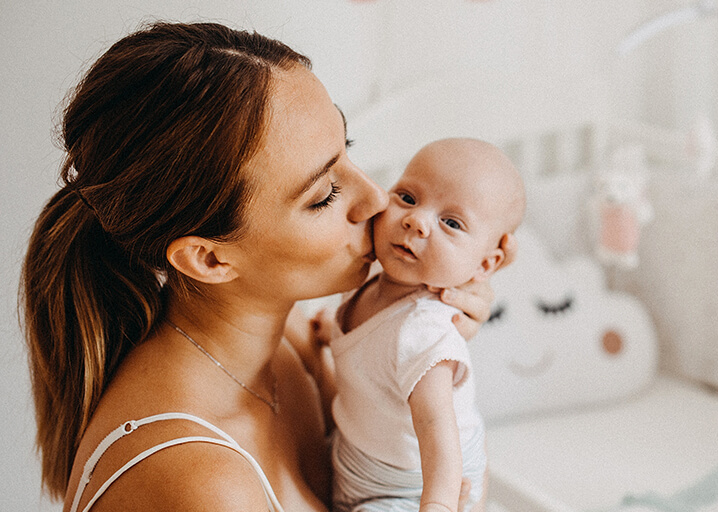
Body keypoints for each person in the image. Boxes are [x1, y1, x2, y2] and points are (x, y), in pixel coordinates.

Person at [20, 22, 516, 512]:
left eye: (349, 150)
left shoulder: (295, 340)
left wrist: (423, 340)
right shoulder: (201, 483)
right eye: (323, 195)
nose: (375, 198)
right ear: (211, 258)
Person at [308, 138, 526, 512]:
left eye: (452, 222)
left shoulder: (425, 331)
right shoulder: (369, 275)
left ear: (484, 266)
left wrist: (437, 505)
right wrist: (333, 330)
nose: (417, 220)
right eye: (407, 197)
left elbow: (436, 428)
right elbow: (371, 349)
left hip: (415, 482)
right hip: (363, 458)